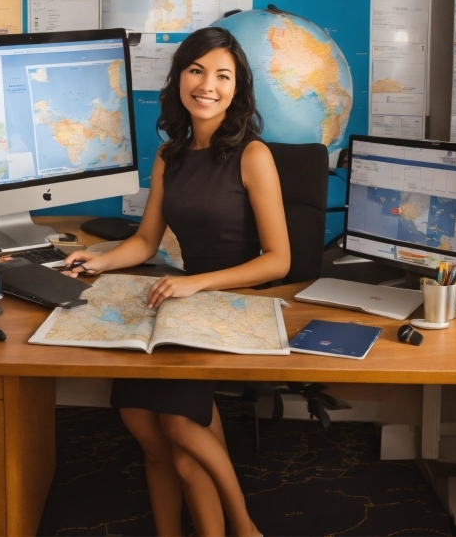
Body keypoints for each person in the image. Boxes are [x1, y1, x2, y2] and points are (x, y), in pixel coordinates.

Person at [63, 27, 291, 537]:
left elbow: (277, 261)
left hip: (227, 300)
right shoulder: (171, 156)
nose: (207, 84)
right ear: (179, 78)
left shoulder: (254, 156)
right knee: (143, 426)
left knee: (179, 427)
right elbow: (146, 241)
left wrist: (197, 284)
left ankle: (243, 526)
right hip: (184, 297)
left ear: (237, 88)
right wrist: (95, 262)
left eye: (222, 75)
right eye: (196, 70)